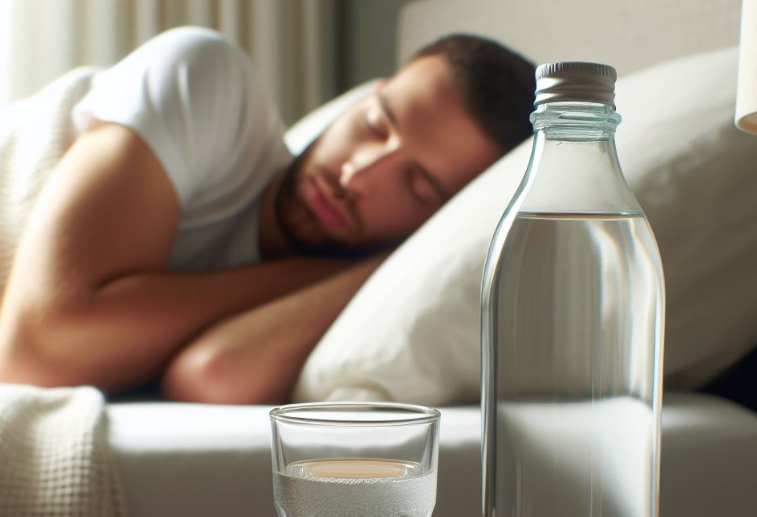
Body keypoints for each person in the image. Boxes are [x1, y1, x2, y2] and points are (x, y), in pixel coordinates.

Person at [0, 27, 534, 404]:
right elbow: (37, 352)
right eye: (375, 125)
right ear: (362, 99)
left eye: (416, 187)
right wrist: (324, 270)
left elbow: (212, 372)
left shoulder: (330, 296)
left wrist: (385, 268)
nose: (358, 175)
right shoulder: (209, 83)